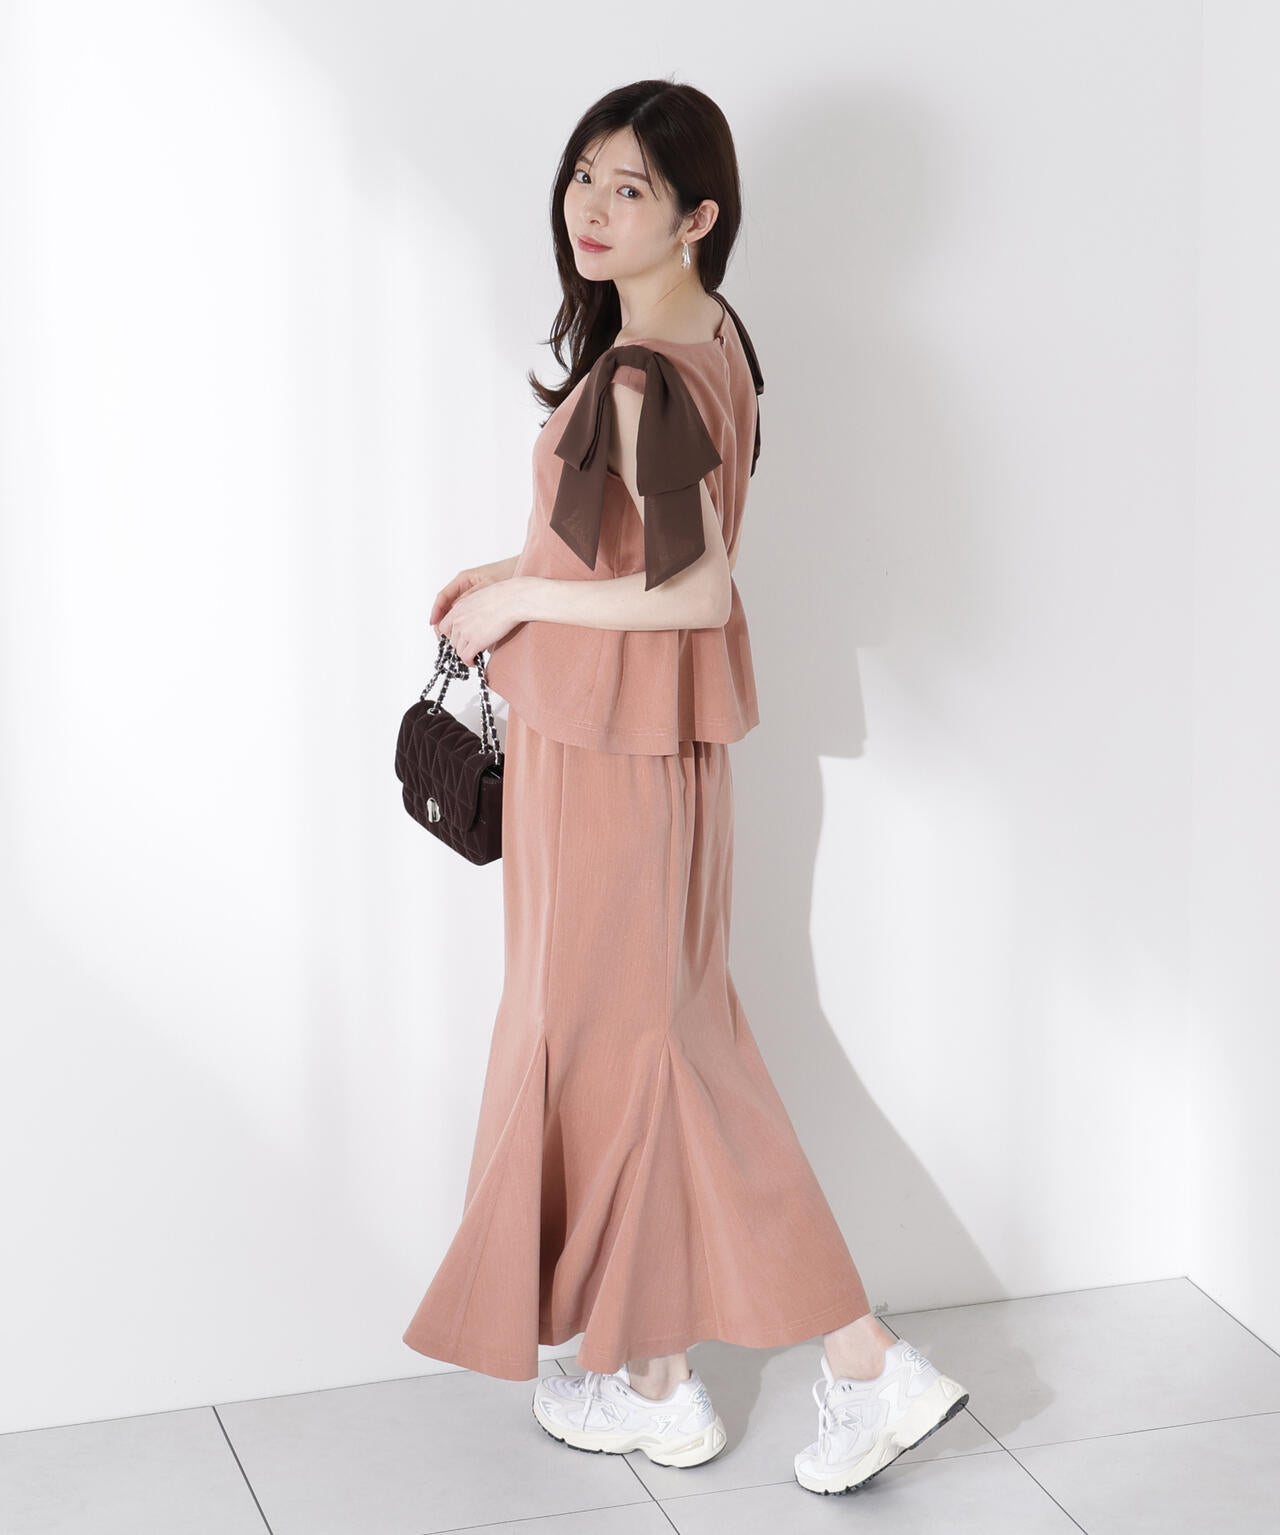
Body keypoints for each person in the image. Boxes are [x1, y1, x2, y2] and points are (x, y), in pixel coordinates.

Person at [401, 78, 969, 1496]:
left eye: (632, 189)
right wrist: (511, 572)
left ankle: (865, 1359)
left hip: (608, 764)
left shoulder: (645, 374)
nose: (591, 210)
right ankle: (657, 1380)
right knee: (644, 1053)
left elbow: (697, 586)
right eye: (584, 177)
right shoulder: (708, 338)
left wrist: (519, 601)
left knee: (660, 1052)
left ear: (699, 215)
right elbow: (627, 550)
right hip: (646, 753)